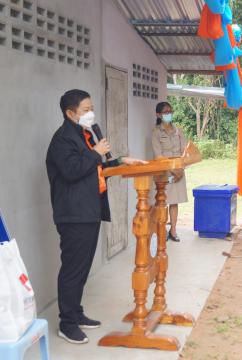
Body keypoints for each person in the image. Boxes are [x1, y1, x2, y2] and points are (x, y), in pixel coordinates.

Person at [46, 89, 146, 344]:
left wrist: (122, 161)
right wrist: (97, 152)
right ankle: (66, 324)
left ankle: (76, 313)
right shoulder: (62, 140)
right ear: (70, 113)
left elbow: (96, 168)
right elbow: (71, 171)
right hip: (73, 215)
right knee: (72, 269)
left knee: (82, 268)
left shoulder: (83, 135)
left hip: (89, 211)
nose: (90, 114)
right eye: (85, 110)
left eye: (91, 108)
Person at [152, 102, 188, 242]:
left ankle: (173, 231)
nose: (169, 114)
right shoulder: (156, 132)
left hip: (179, 170)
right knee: (163, 202)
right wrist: (172, 170)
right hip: (164, 172)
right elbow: (158, 155)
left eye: (170, 111)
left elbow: (185, 151)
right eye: (165, 112)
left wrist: (180, 169)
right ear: (158, 115)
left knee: (175, 201)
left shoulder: (178, 130)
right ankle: (162, 230)